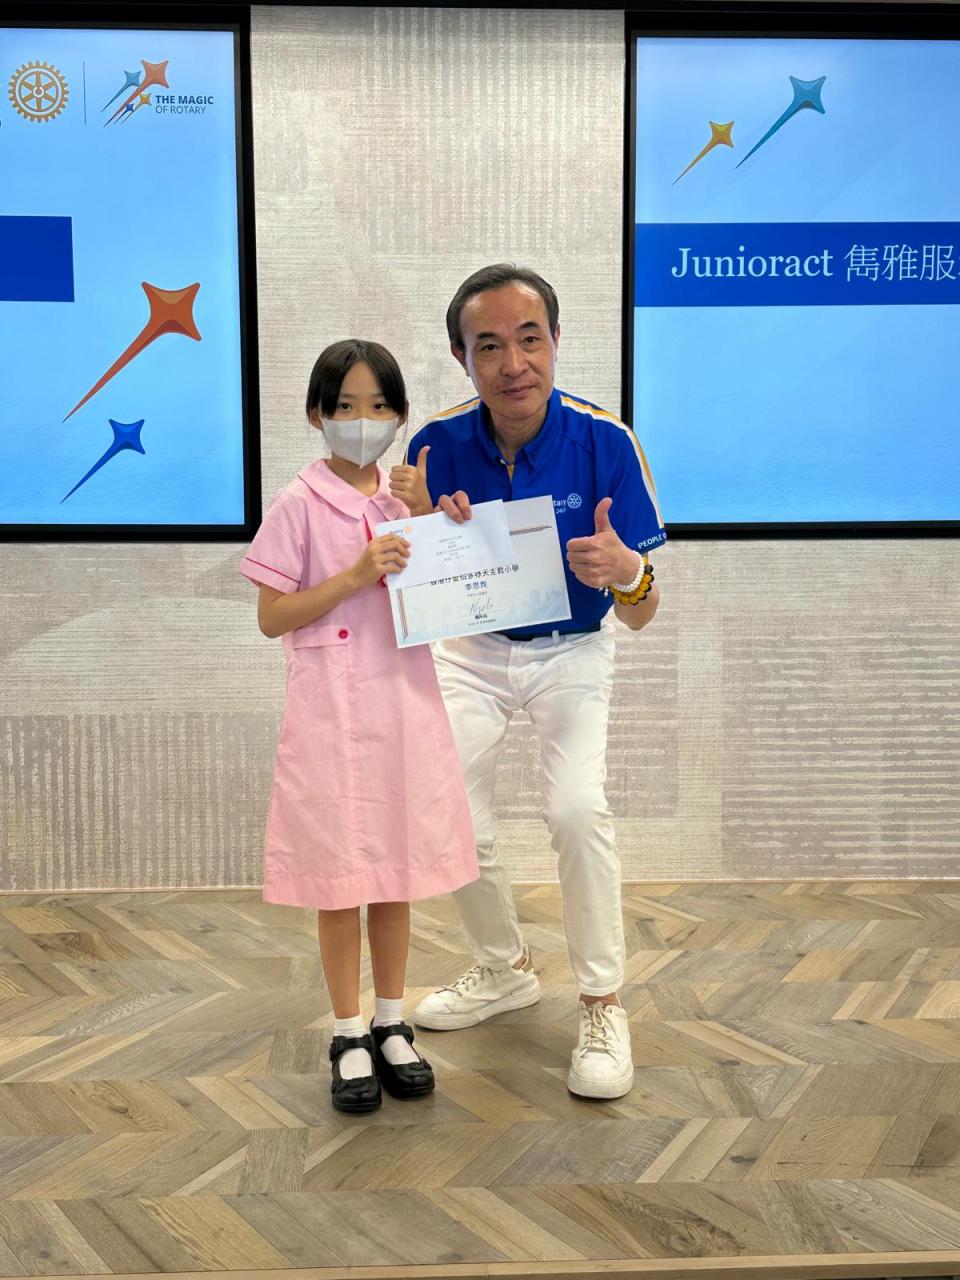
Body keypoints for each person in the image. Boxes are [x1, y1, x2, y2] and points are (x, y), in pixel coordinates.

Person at [390, 265, 665, 1100]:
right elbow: (405, 577)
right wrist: (415, 525)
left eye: (529, 339)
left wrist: (625, 572)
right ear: (461, 357)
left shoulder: (607, 442)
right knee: (445, 804)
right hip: (471, 648)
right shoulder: (433, 446)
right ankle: (504, 968)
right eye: (489, 346)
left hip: (573, 651)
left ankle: (603, 1003)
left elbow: (643, 613)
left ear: (556, 341)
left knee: (576, 810)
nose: (514, 363)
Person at [241, 339, 478, 1115]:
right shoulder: (298, 504)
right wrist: (351, 576)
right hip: (331, 713)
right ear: (317, 414)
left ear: (401, 416)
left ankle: (391, 1021)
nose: (363, 420)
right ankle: (347, 1031)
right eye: (345, 406)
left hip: (402, 704)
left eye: (379, 406)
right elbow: (272, 617)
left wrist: (434, 517)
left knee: (397, 869)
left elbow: (451, 595)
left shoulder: (405, 500)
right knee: (340, 877)